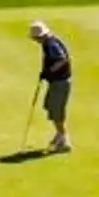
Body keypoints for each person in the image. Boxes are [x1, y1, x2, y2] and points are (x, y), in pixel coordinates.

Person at [30, 20, 73, 154]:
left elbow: (62, 59)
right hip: (57, 81)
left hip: (60, 82)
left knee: (56, 109)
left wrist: (50, 71)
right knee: (49, 106)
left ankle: (64, 140)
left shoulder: (51, 44)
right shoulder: (48, 43)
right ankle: (60, 134)